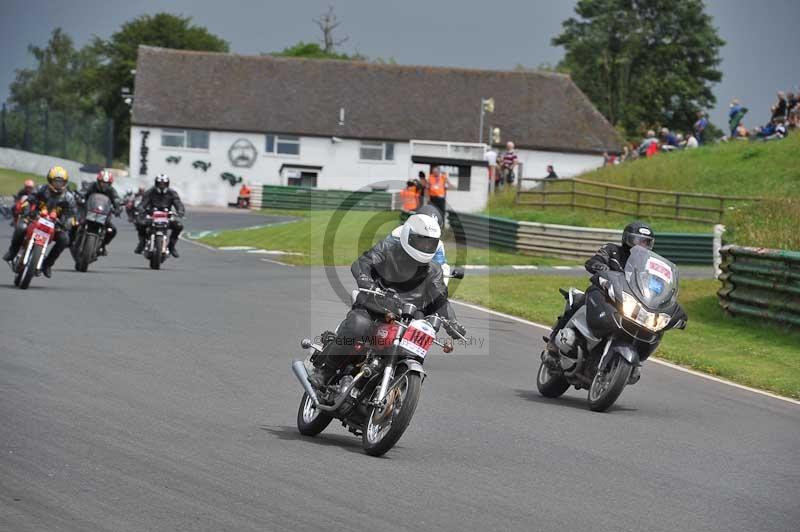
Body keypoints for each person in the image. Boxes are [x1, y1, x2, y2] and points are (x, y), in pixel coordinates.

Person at [306, 213, 465, 386]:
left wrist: (452, 322)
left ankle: (397, 383)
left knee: (419, 340)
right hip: (375, 306)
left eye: (430, 243)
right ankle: (325, 370)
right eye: (421, 241)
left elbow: (440, 298)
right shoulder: (388, 249)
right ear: (408, 236)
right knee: (359, 324)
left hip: (407, 319)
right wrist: (366, 279)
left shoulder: (434, 271)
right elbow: (363, 263)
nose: (426, 246)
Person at [545, 221, 657, 357]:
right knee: (580, 301)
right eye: (637, 240)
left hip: (626, 300)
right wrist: (599, 266)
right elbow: (594, 260)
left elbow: (653, 284)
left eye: (645, 242)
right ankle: (554, 338)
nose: (641, 245)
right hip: (603, 292)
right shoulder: (612, 250)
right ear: (627, 238)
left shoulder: (646, 265)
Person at [3, 166, 77, 278]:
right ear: (50, 180)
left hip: (55, 225)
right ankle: (12, 252)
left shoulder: (69, 198)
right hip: (35, 218)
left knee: (64, 239)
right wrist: (27, 210)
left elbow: (72, 214)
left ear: (65, 183)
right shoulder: (41, 188)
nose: (58, 184)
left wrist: (66, 222)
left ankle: (47, 264)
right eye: (56, 181)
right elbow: (29, 200)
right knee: (21, 227)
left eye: (60, 182)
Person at [134, 174, 185, 257]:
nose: (162, 186)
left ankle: (172, 247)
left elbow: (178, 203)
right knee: (140, 224)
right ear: (156, 183)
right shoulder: (150, 192)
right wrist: (141, 208)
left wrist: (180, 211)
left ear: (167, 184)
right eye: (160, 183)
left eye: (164, 184)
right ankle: (142, 243)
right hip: (152, 215)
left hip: (166, 216)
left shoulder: (172, 193)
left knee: (178, 226)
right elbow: (143, 203)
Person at [80, 170, 122, 255]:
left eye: (106, 183)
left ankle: (103, 245)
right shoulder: (92, 186)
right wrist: (81, 197)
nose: (104, 185)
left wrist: (118, 208)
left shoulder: (111, 190)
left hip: (103, 216)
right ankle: (71, 240)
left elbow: (116, 199)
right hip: (89, 212)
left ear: (110, 184)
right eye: (102, 182)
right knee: (76, 224)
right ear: (98, 181)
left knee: (112, 230)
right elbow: (83, 192)